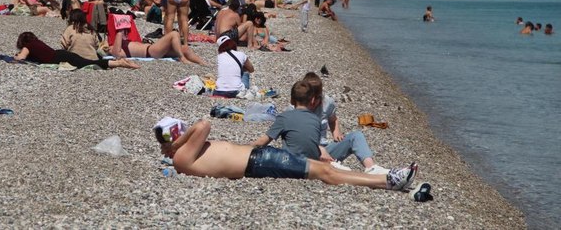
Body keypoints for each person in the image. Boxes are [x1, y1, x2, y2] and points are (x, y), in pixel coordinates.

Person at [156, 116, 419, 192]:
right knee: (325, 172)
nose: (185, 130)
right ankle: (387, 181)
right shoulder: (181, 156)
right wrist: (175, 146)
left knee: (323, 170)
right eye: (179, 130)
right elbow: (203, 124)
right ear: (174, 137)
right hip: (259, 162)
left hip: (260, 159)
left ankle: (385, 179)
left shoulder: (186, 154)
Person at [302, 72, 390, 174]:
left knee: (356, 136)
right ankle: (333, 169)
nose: (313, 102)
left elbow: (333, 119)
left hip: (326, 151)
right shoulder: (296, 107)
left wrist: (336, 132)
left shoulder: (327, 103)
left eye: (317, 97)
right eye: (310, 97)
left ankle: (371, 168)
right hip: (306, 157)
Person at [60, 10, 140, 69]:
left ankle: (120, 63)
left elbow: (63, 45)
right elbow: (97, 46)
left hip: (75, 59)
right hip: (93, 59)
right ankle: (120, 62)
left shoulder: (70, 28)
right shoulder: (90, 29)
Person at [109, 22, 207, 65]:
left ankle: (202, 63)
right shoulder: (116, 51)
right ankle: (182, 58)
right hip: (150, 51)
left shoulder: (122, 45)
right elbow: (116, 55)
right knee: (174, 34)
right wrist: (119, 32)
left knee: (185, 48)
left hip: (153, 49)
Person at [14, 31, 125, 69]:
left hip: (59, 57)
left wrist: (16, 56)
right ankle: (115, 63)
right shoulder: (36, 42)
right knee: (87, 62)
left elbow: (21, 58)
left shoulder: (28, 45)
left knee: (89, 63)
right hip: (60, 54)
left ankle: (118, 63)